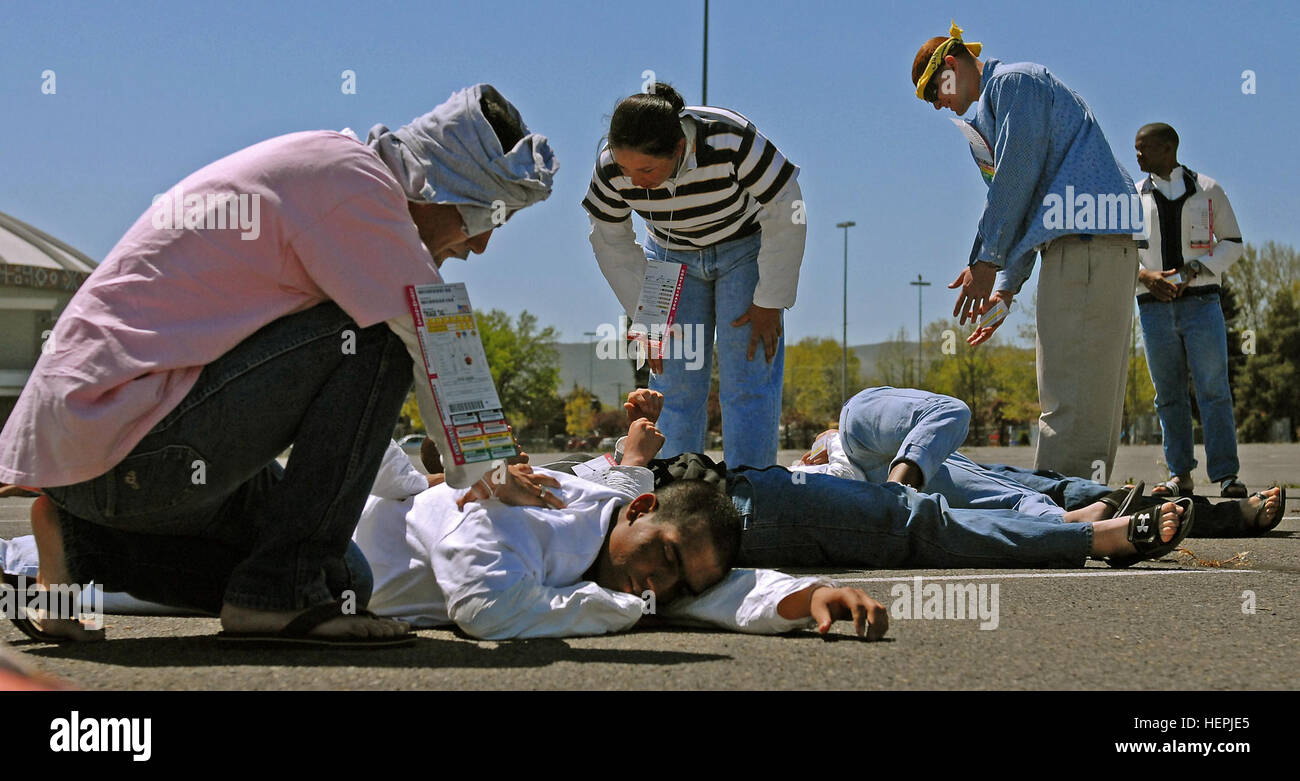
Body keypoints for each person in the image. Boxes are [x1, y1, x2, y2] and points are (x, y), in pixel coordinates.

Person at [0, 84, 560, 647]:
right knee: (376, 339)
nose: (481, 244)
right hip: (133, 444)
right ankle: (278, 594)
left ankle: (74, 547)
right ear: (438, 186)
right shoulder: (354, 188)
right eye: (483, 216)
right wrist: (489, 475)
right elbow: (434, 338)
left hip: (102, 464)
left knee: (344, 583)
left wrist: (474, 466)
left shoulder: (334, 174)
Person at [597, 391, 1194, 572]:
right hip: (760, 501)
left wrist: (629, 454)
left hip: (841, 464)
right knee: (922, 517)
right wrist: (627, 462)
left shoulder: (855, 424)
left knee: (1015, 481)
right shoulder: (559, 531)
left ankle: (1098, 517)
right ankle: (1090, 534)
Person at [912, 23, 1140, 480]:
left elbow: (1016, 179)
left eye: (932, 91)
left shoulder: (1013, 83)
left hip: (1085, 248)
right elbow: (1029, 194)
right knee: (1088, 395)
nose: (937, 104)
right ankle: (1085, 507)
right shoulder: (1005, 99)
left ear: (951, 67)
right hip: (1090, 247)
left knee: (1068, 395)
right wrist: (1005, 289)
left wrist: (985, 262)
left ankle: (1058, 516)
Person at [582, 82, 806, 470]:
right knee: (674, 380)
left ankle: (752, 489)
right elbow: (611, 242)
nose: (634, 181)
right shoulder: (610, 170)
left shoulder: (729, 139)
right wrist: (649, 319)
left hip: (744, 248)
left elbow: (787, 207)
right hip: (669, 255)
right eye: (624, 169)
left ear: (680, 149)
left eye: (647, 170)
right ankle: (673, 488)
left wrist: (770, 300)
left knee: (748, 375)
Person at [1132, 123, 1248, 499]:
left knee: (1213, 390)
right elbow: (1121, 256)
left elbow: (1233, 243)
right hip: (1153, 308)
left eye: (1143, 149)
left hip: (1202, 304)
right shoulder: (1132, 198)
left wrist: (1196, 268)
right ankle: (1180, 475)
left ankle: (1226, 475)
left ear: (1168, 149)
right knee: (1167, 395)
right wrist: (1146, 276)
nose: (1137, 156)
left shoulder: (1208, 190)